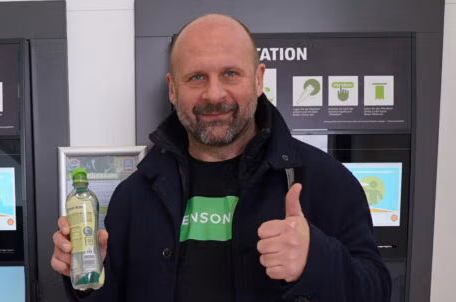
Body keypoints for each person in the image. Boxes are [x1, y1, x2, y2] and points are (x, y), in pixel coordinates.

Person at [51, 13, 391, 302]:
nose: (214, 94)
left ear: (258, 79)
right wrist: (85, 275)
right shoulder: (134, 195)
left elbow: (377, 290)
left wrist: (315, 259)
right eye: (196, 77)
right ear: (173, 89)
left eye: (230, 73)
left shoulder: (325, 181)